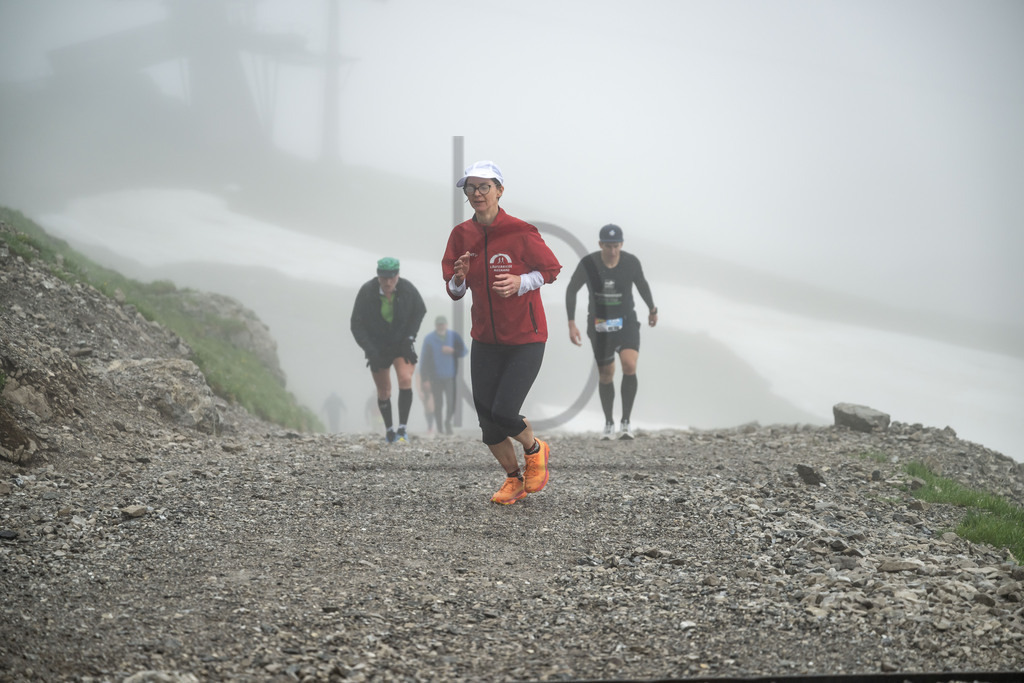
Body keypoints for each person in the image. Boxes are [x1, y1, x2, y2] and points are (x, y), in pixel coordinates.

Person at [442, 160, 562, 504]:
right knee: (488, 424)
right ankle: (514, 480)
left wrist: (522, 282)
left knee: (504, 411)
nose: (477, 194)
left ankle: (535, 449)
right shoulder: (461, 235)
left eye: (484, 187)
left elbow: (551, 270)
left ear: (499, 190)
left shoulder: (521, 231)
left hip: (526, 338)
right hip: (485, 340)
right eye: (471, 188)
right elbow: (453, 291)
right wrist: (459, 278)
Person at [566, 223, 657, 440]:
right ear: (600, 245)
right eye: (608, 246)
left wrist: (652, 309)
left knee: (629, 364)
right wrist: (571, 323)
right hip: (599, 326)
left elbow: (642, 285)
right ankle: (609, 423)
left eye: (616, 246)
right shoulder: (589, 263)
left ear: (621, 244)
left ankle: (626, 422)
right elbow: (571, 290)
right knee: (606, 374)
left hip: (626, 322)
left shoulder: (631, 262)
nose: (613, 251)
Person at [350, 256, 426, 444]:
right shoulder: (367, 291)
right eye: (384, 278)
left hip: (401, 343)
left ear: (398, 275)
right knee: (384, 390)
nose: (388, 282)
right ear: (378, 276)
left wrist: (410, 337)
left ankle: (402, 429)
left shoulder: (407, 289)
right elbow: (356, 324)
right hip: (378, 345)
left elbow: (420, 310)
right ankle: (390, 430)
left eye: (392, 277)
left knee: (405, 378)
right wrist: (369, 349)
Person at [419, 315, 468, 435]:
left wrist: (453, 351)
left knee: (451, 402)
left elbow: (464, 351)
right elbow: (423, 360)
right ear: (436, 326)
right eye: (439, 324)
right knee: (438, 403)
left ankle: (447, 423)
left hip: (450, 376)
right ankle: (440, 427)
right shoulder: (429, 339)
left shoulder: (454, 336)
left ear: (446, 324)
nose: (441, 326)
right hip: (435, 377)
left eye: (443, 324)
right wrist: (424, 379)